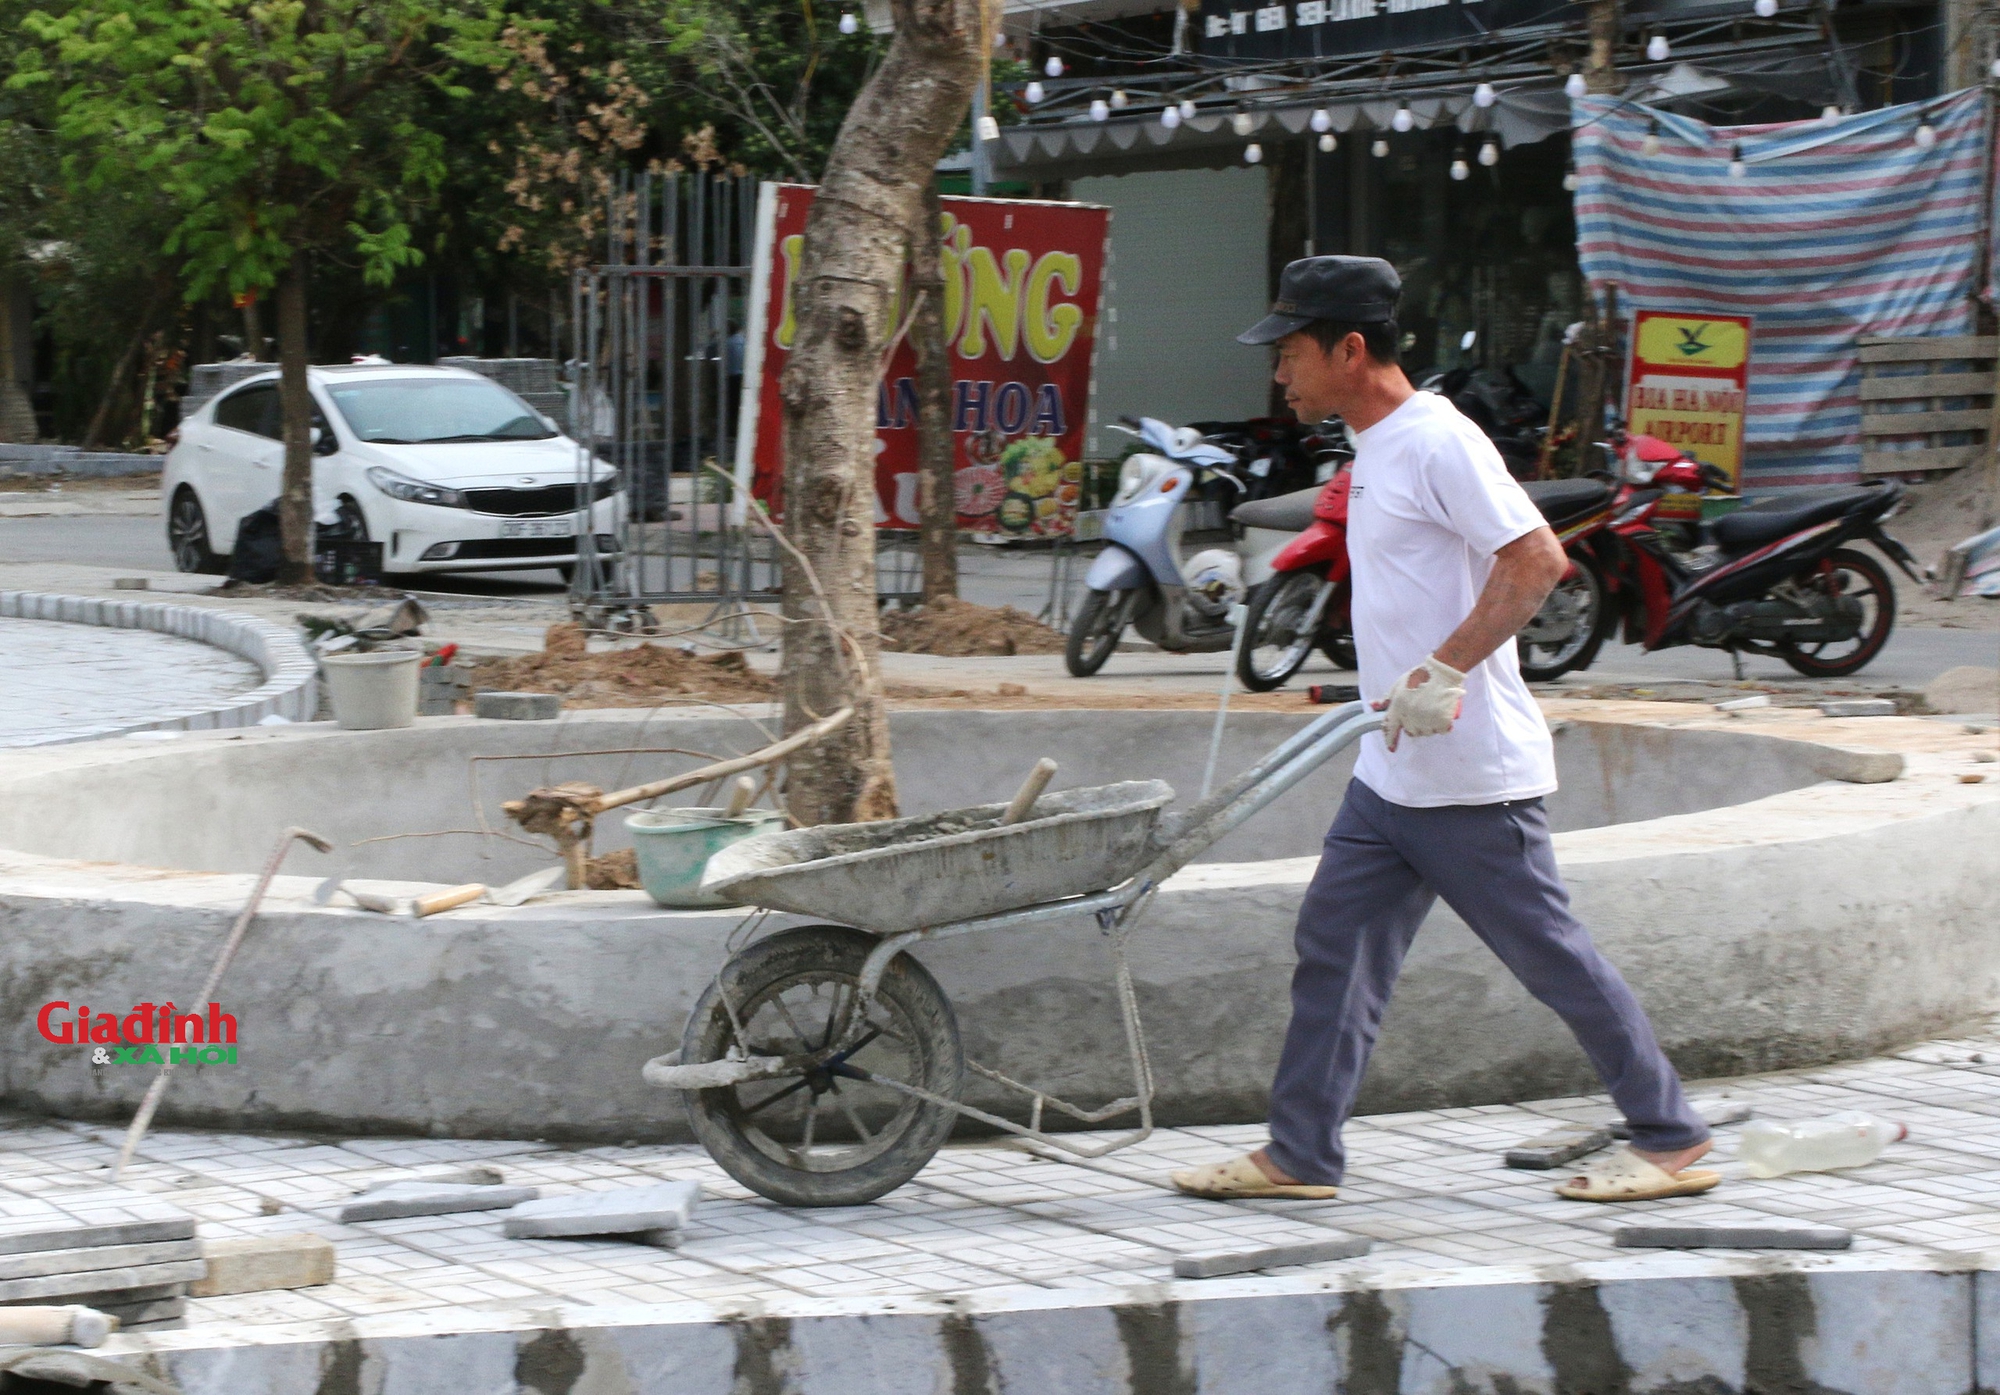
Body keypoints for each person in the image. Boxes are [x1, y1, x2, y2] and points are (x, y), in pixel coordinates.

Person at [1170, 256, 1716, 1205]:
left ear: (1349, 348)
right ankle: (1300, 1154)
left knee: (1551, 955)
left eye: (1292, 352)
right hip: (1394, 774)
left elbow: (1537, 559)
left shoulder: (1437, 441)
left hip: (1469, 776)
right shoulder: (1372, 444)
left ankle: (1669, 1133)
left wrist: (1449, 665)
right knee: (1333, 945)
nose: (1279, 373)